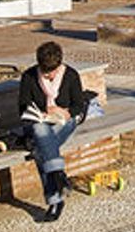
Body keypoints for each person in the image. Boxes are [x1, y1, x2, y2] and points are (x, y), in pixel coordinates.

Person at [19, 41, 88, 222]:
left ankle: (55, 198)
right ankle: (58, 180)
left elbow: (78, 105)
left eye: (52, 71)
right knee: (41, 133)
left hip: (64, 121)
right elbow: (23, 106)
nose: (49, 75)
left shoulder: (71, 75)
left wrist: (65, 112)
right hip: (38, 122)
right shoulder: (29, 76)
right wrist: (40, 113)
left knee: (39, 147)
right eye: (45, 71)